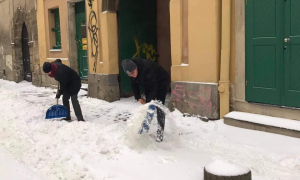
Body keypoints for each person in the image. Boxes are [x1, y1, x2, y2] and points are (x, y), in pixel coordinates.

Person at [121, 57, 170, 142]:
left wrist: (148, 103)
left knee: (159, 105)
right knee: (149, 106)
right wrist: (138, 97)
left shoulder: (147, 68)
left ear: (136, 67)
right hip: (150, 83)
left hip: (161, 81)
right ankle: (145, 128)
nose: (132, 75)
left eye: (133, 73)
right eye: (130, 74)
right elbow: (134, 84)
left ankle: (160, 132)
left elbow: (154, 88)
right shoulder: (131, 71)